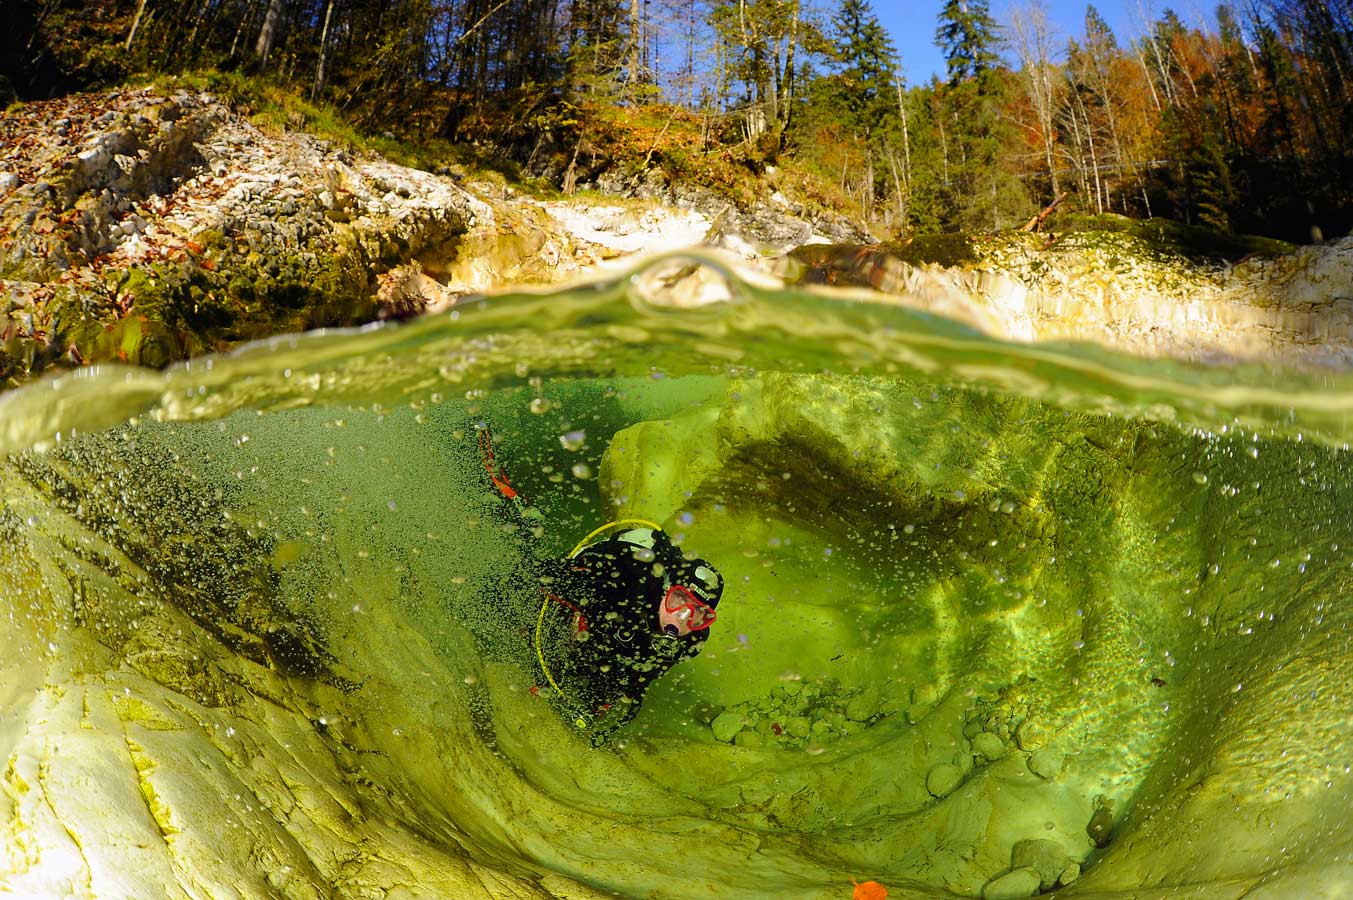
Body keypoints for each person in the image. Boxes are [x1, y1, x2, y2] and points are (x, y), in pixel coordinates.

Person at [477, 426, 724, 745]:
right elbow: (543, 577)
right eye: (679, 601)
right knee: (509, 580)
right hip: (580, 587)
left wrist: (598, 703)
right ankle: (507, 495)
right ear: (667, 588)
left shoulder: (689, 641)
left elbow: (634, 677)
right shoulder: (621, 584)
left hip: (594, 636)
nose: (681, 618)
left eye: (697, 615)